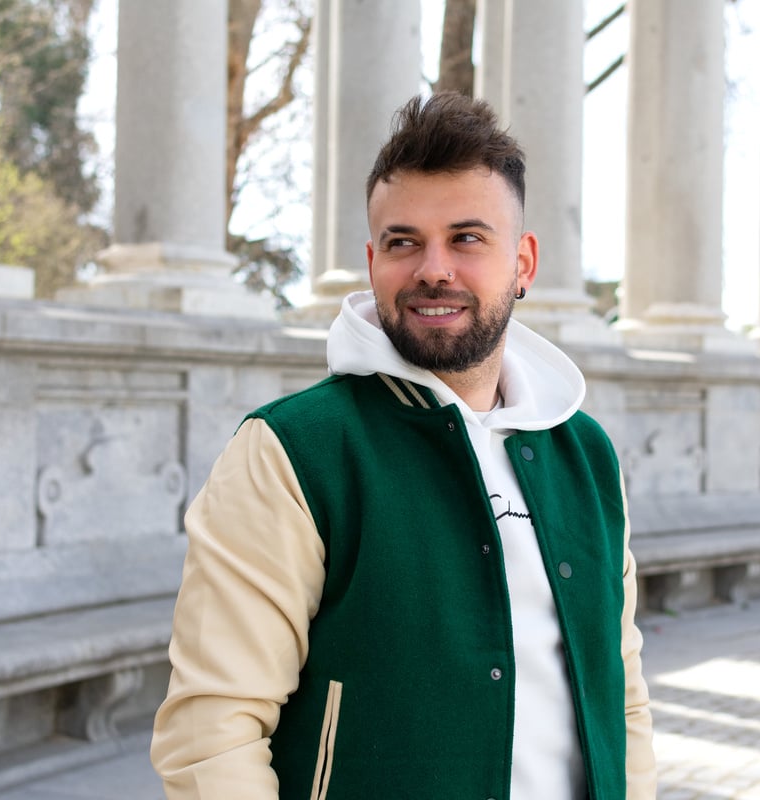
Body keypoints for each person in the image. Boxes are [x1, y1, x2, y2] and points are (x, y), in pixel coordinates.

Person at [150, 92, 656, 800]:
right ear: (371, 260)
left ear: (523, 262)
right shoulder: (294, 451)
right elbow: (211, 734)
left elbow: (621, 697)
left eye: (468, 238)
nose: (433, 269)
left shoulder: (585, 455)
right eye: (403, 241)